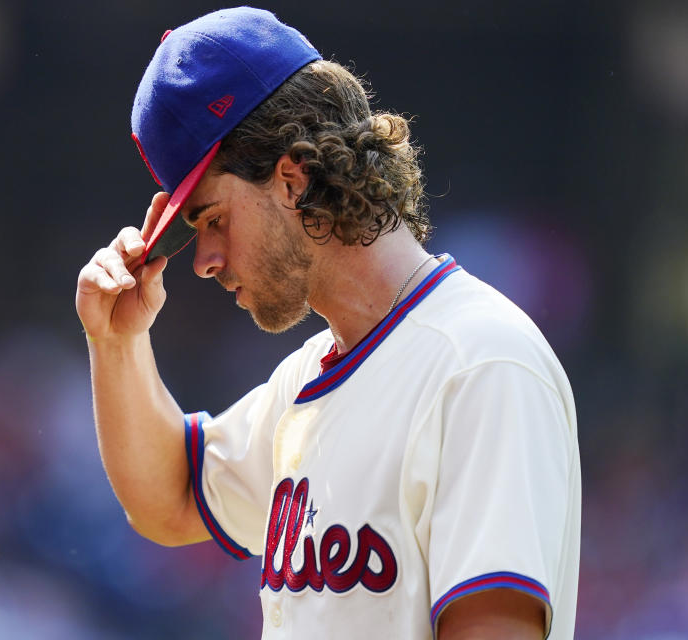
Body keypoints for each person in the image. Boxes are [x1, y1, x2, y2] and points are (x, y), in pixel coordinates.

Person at [75, 7, 580, 639]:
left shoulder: (478, 364)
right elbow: (170, 500)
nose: (204, 261)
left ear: (291, 178)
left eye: (213, 220)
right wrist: (117, 342)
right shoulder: (307, 379)